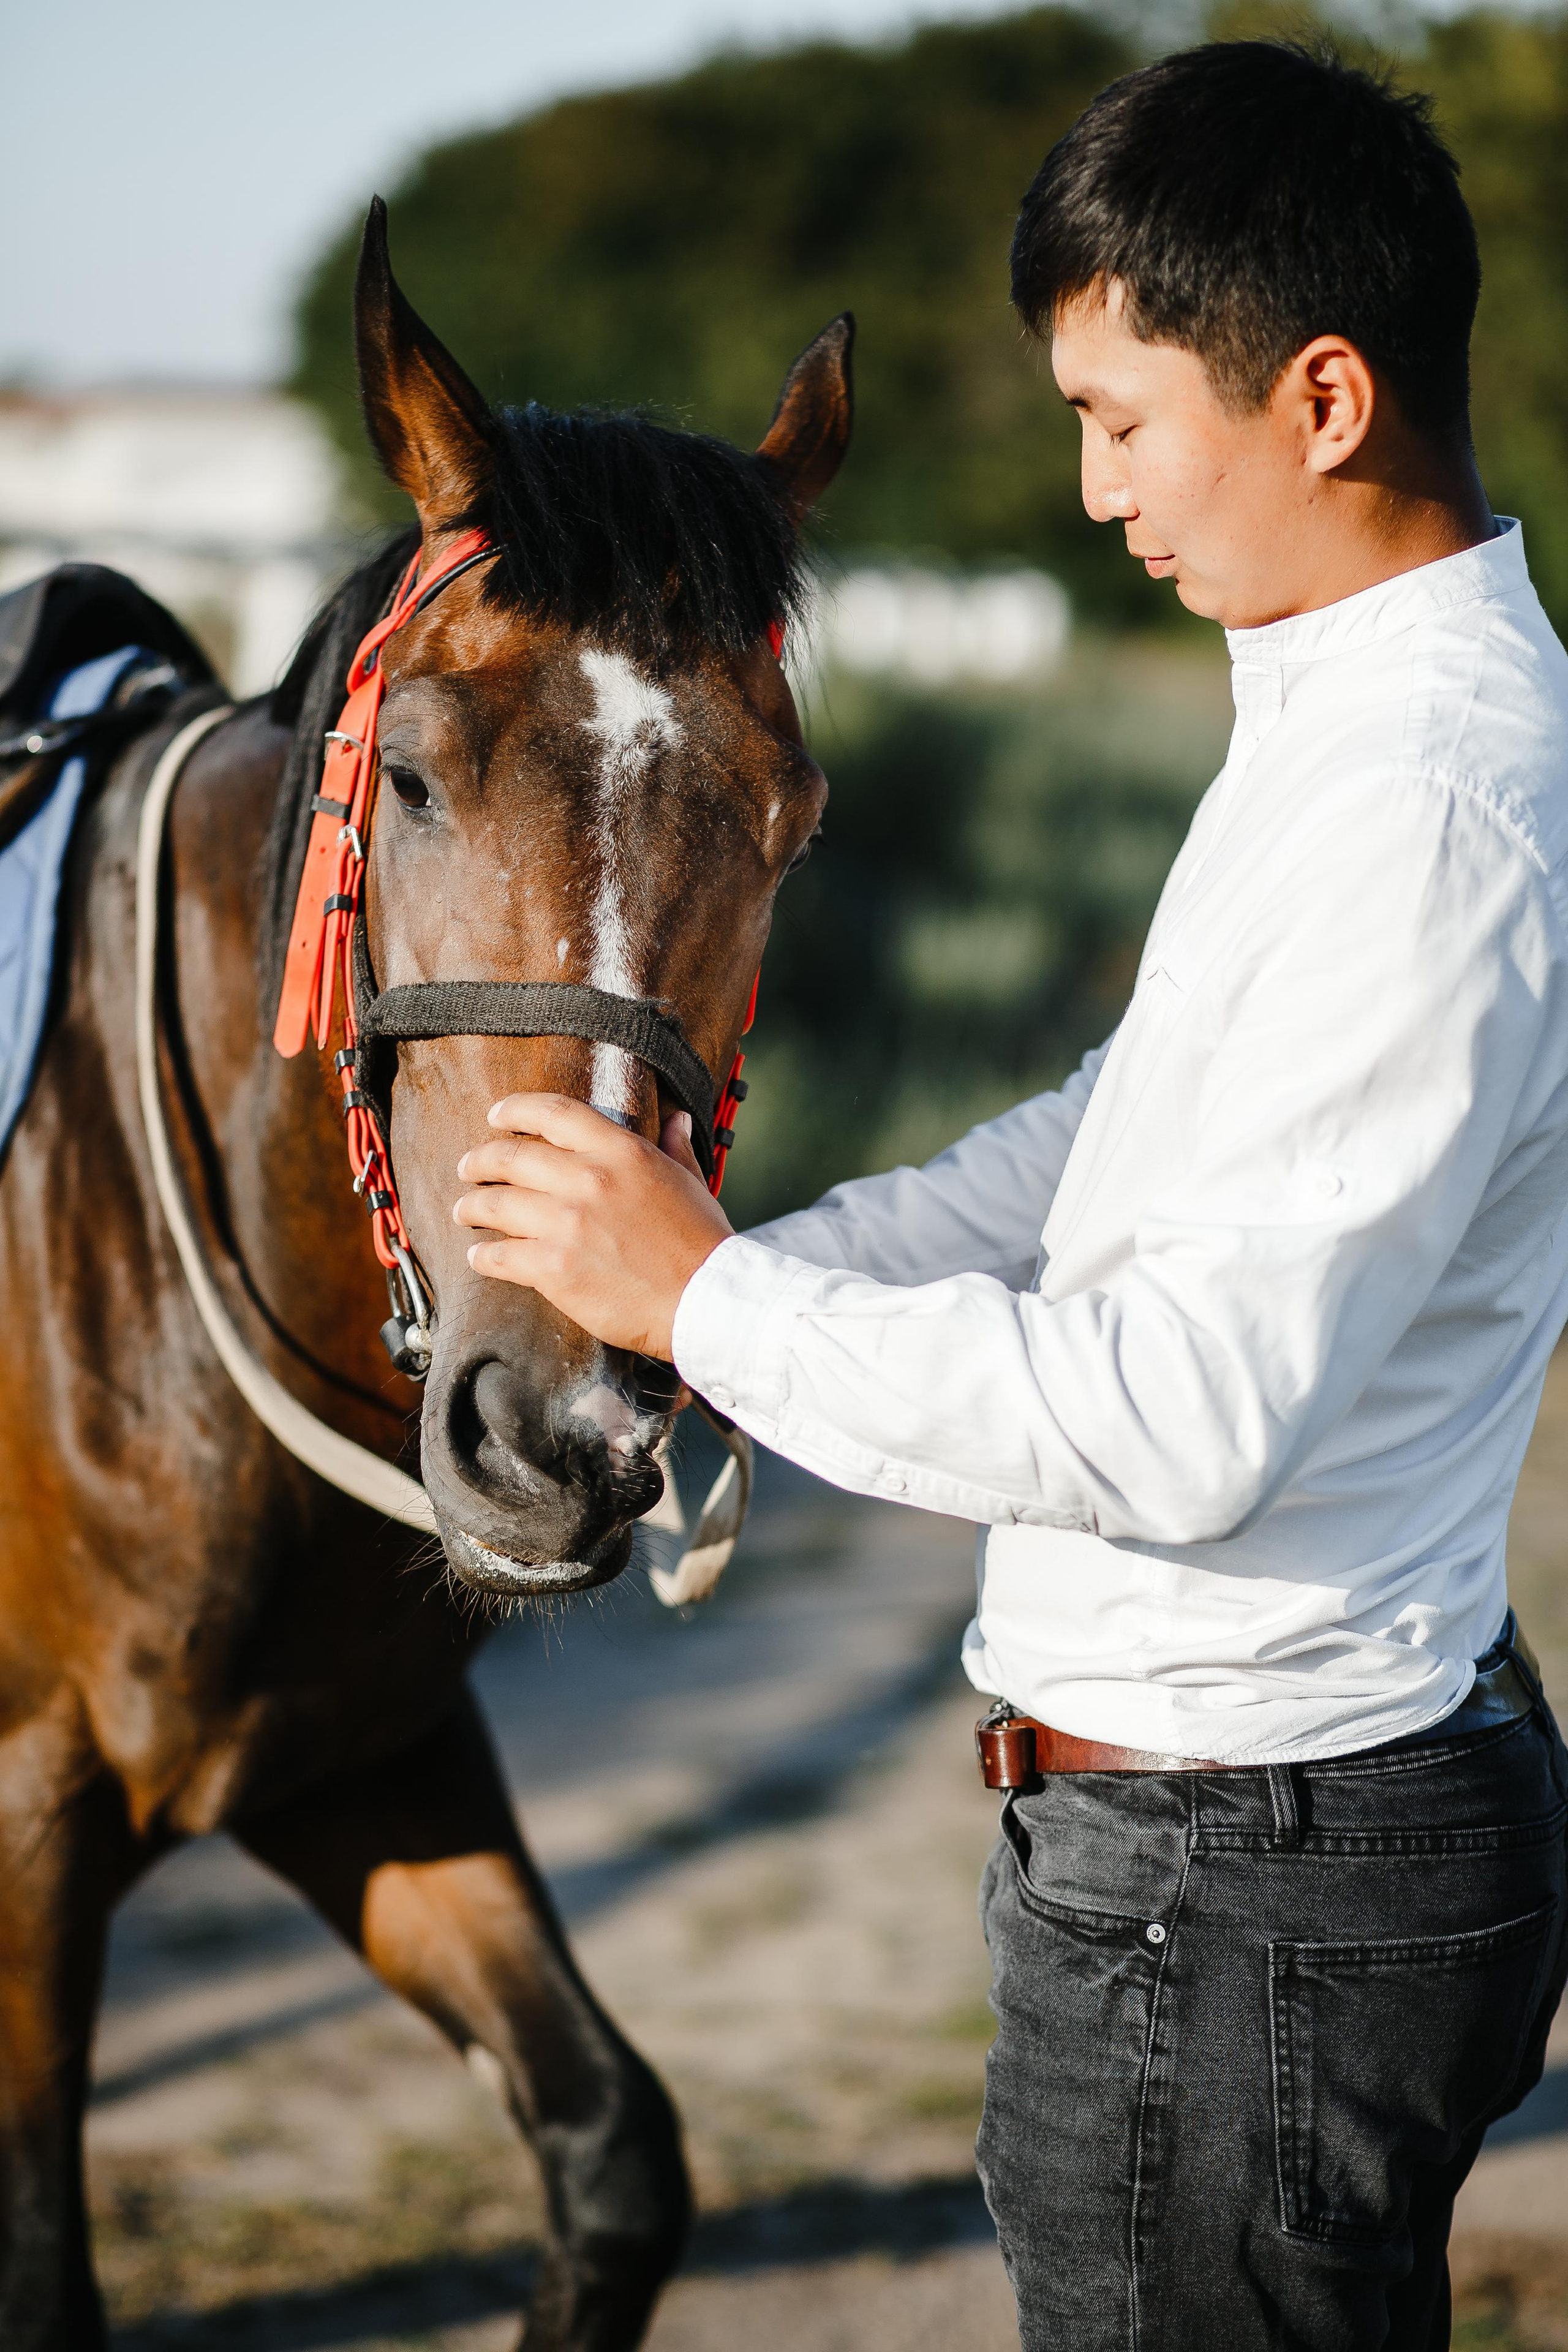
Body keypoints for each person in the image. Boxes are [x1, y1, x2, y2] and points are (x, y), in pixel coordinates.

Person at [450, 39, 1568, 2351]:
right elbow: (1112, 1129)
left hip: (1243, 1877)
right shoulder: (1351, 722)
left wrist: (722, 1316)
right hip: (1245, 1845)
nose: (1092, 494)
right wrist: (737, 1278)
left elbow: (1183, 1421)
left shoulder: (1423, 805)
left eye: (1121, 418)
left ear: (1326, 399)